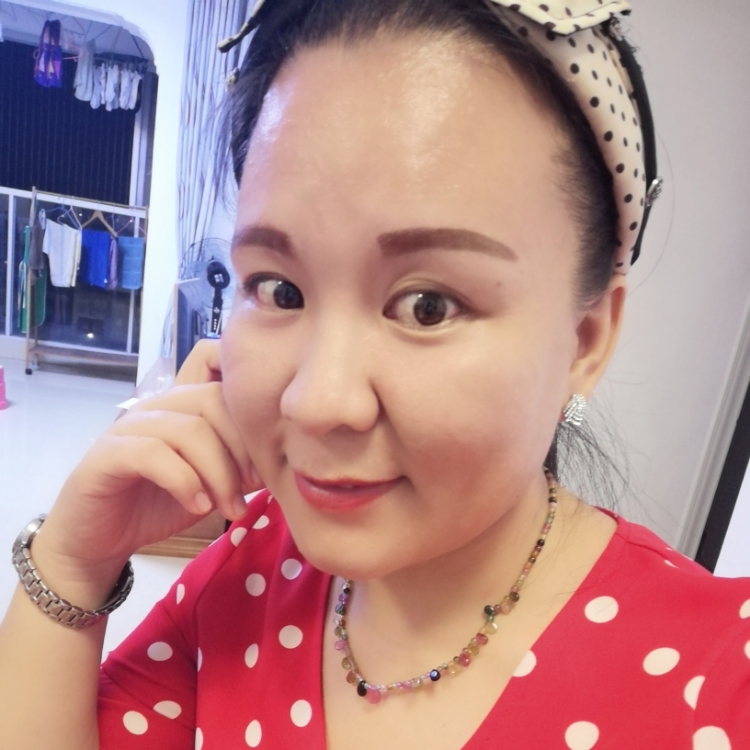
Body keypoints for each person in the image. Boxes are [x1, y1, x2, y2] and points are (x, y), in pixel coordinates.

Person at [1, 1, 748, 748]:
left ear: (584, 341)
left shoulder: (717, 682)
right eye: (279, 290)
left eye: (427, 306)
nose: (317, 401)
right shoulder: (252, 564)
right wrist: (71, 562)